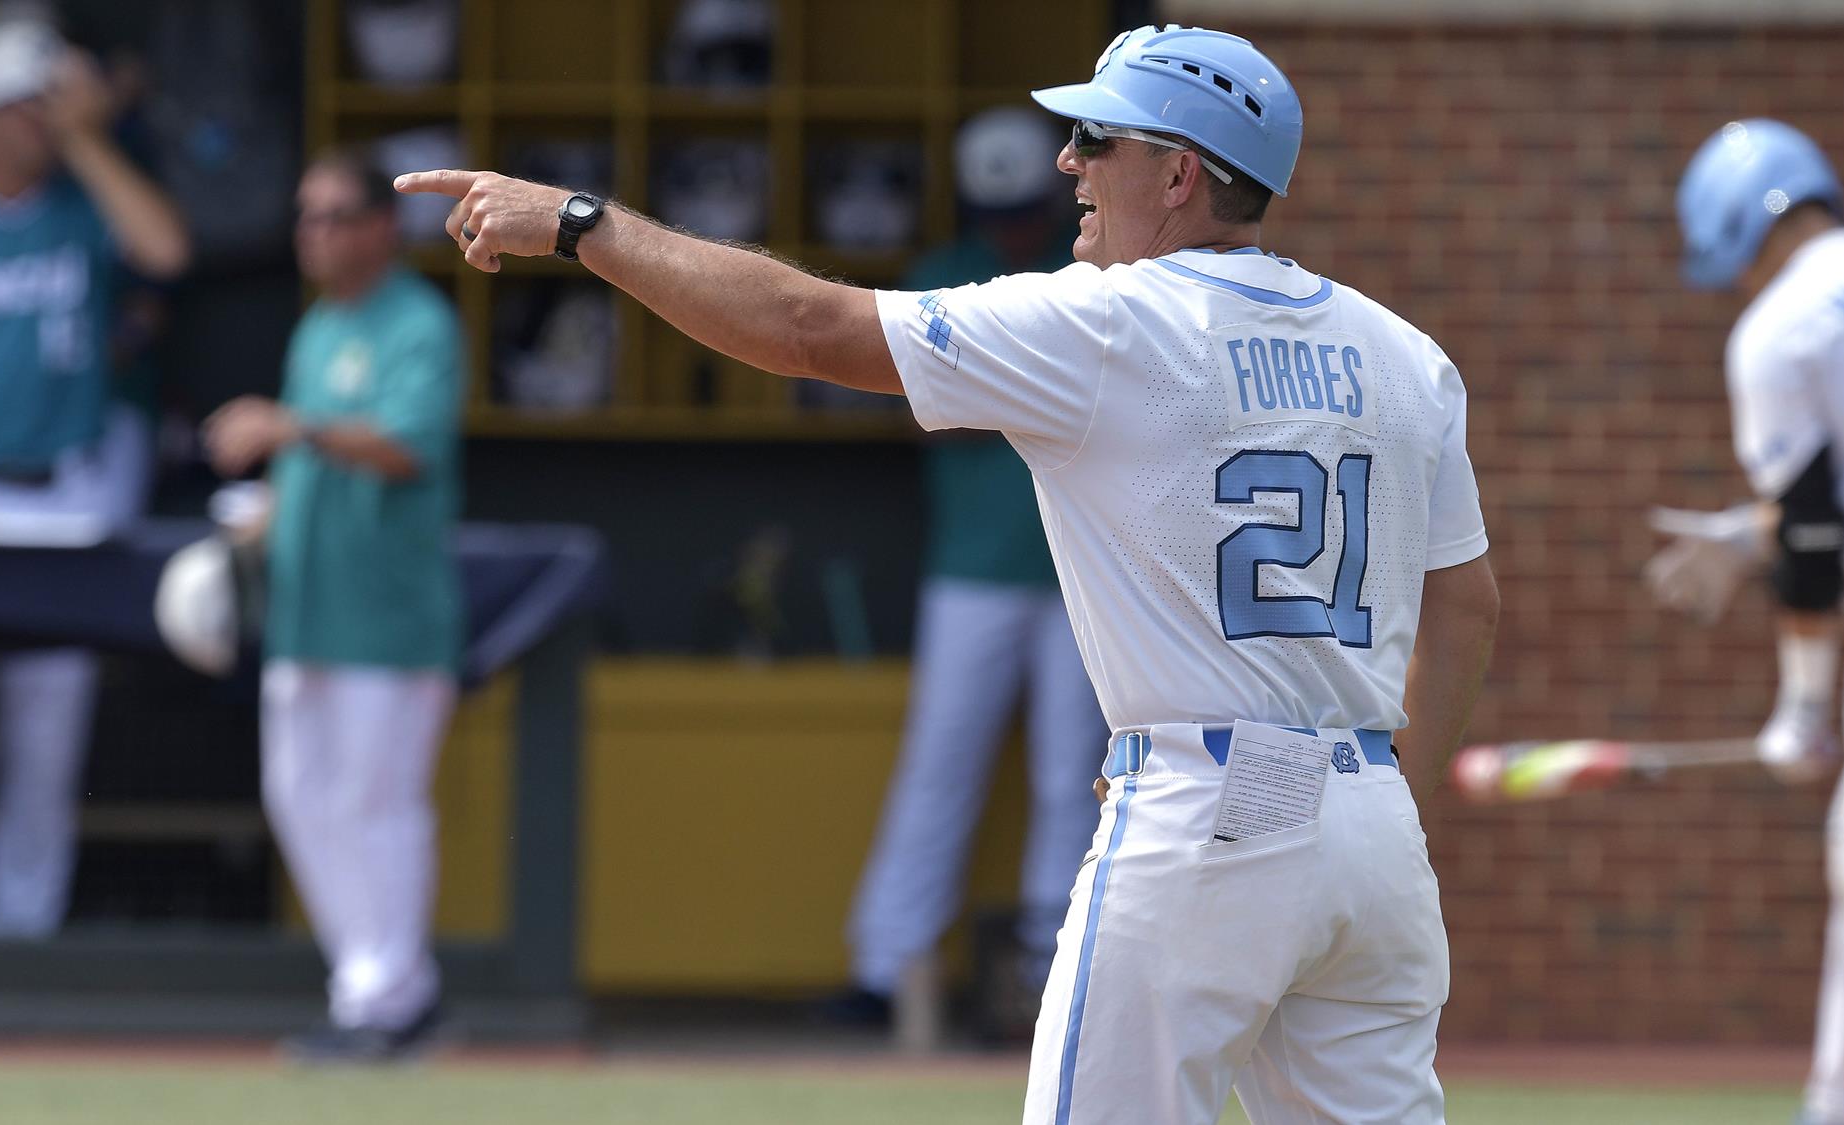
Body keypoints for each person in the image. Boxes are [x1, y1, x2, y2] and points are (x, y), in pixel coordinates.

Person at [400, 21, 1498, 1123]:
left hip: (1207, 807)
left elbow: (802, 328)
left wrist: (581, 225)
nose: (1067, 160)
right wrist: (1385, 800)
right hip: (1368, 820)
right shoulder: (1404, 353)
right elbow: (1465, 604)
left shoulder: (1113, 321)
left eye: (1095, 138)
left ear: (1178, 175)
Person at [1650, 119, 1844, 1125]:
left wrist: (1802, 710)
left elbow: (1814, 540)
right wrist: (1749, 527)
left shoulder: (1778, 326)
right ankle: (1838, 1107)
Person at [831, 107, 1109, 1034]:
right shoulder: (939, 275)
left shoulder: (1088, 277)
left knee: (1076, 775)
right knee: (938, 763)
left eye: (1025, 210)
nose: (1013, 230)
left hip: (1083, 568)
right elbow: (918, 404)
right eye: (998, 213)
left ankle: (1050, 962)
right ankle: (884, 962)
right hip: (972, 564)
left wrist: (999, 393)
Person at [0, 18, 186, 938]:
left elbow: (165, 253)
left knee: (45, 745)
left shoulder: (82, 207)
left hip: (61, 502)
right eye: (28, 108)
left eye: (50, 107)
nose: (41, 124)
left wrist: (86, 137)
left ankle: (23, 935)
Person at [204, 149, 465, 1063]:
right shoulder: (317, 328)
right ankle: (367, 983)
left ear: (381, 225)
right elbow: (308, 458)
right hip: (306, 608)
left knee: (378, 804)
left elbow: (405, 446)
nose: (315, 233)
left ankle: (392, 998)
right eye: (305, 215)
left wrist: (291, 428)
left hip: (387, 618)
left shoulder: (419, 324)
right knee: (301, 798)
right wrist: (267, 512)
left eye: (334, 215)